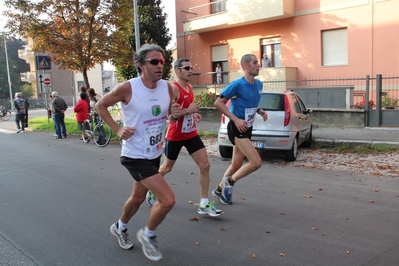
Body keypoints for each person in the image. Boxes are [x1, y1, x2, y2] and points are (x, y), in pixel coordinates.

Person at [95, 44, 179, 262]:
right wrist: (118, 129)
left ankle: (119, 227)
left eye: (162, 61)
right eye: (154, 61)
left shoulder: (169, 88)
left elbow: (169, 115)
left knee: (139, 197)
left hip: (154, 153)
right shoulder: (127, 88)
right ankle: (148, 234)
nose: (160, 65)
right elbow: (100, 106)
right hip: (134, 154)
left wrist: (176, 115)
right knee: (168, 200)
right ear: (142, 65)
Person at [146, 58, 223, 217]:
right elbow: (170, 115)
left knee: (205, 165)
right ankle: (152, 188)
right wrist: (188, 111)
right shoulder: (173, 89)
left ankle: (203, 204)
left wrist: (194, 115)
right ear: (177, 71)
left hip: (191, 134)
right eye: (187, 68)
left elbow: (189, 108)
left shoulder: (189, 87)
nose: (190, 71)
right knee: (167, 168)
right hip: (175, 135)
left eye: (191, 68)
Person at [212, 54, 268, 205]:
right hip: (236, 127)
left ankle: (219, 189)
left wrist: (259, 110)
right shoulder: (237, 85)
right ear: (246, 66)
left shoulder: (258, 84)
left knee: (236, 164)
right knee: (256, 162)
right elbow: (218, 103)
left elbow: (251, 102)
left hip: (248, 127)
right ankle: (230, 182)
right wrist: (235, 119)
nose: (258, 65)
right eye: (255, 63)